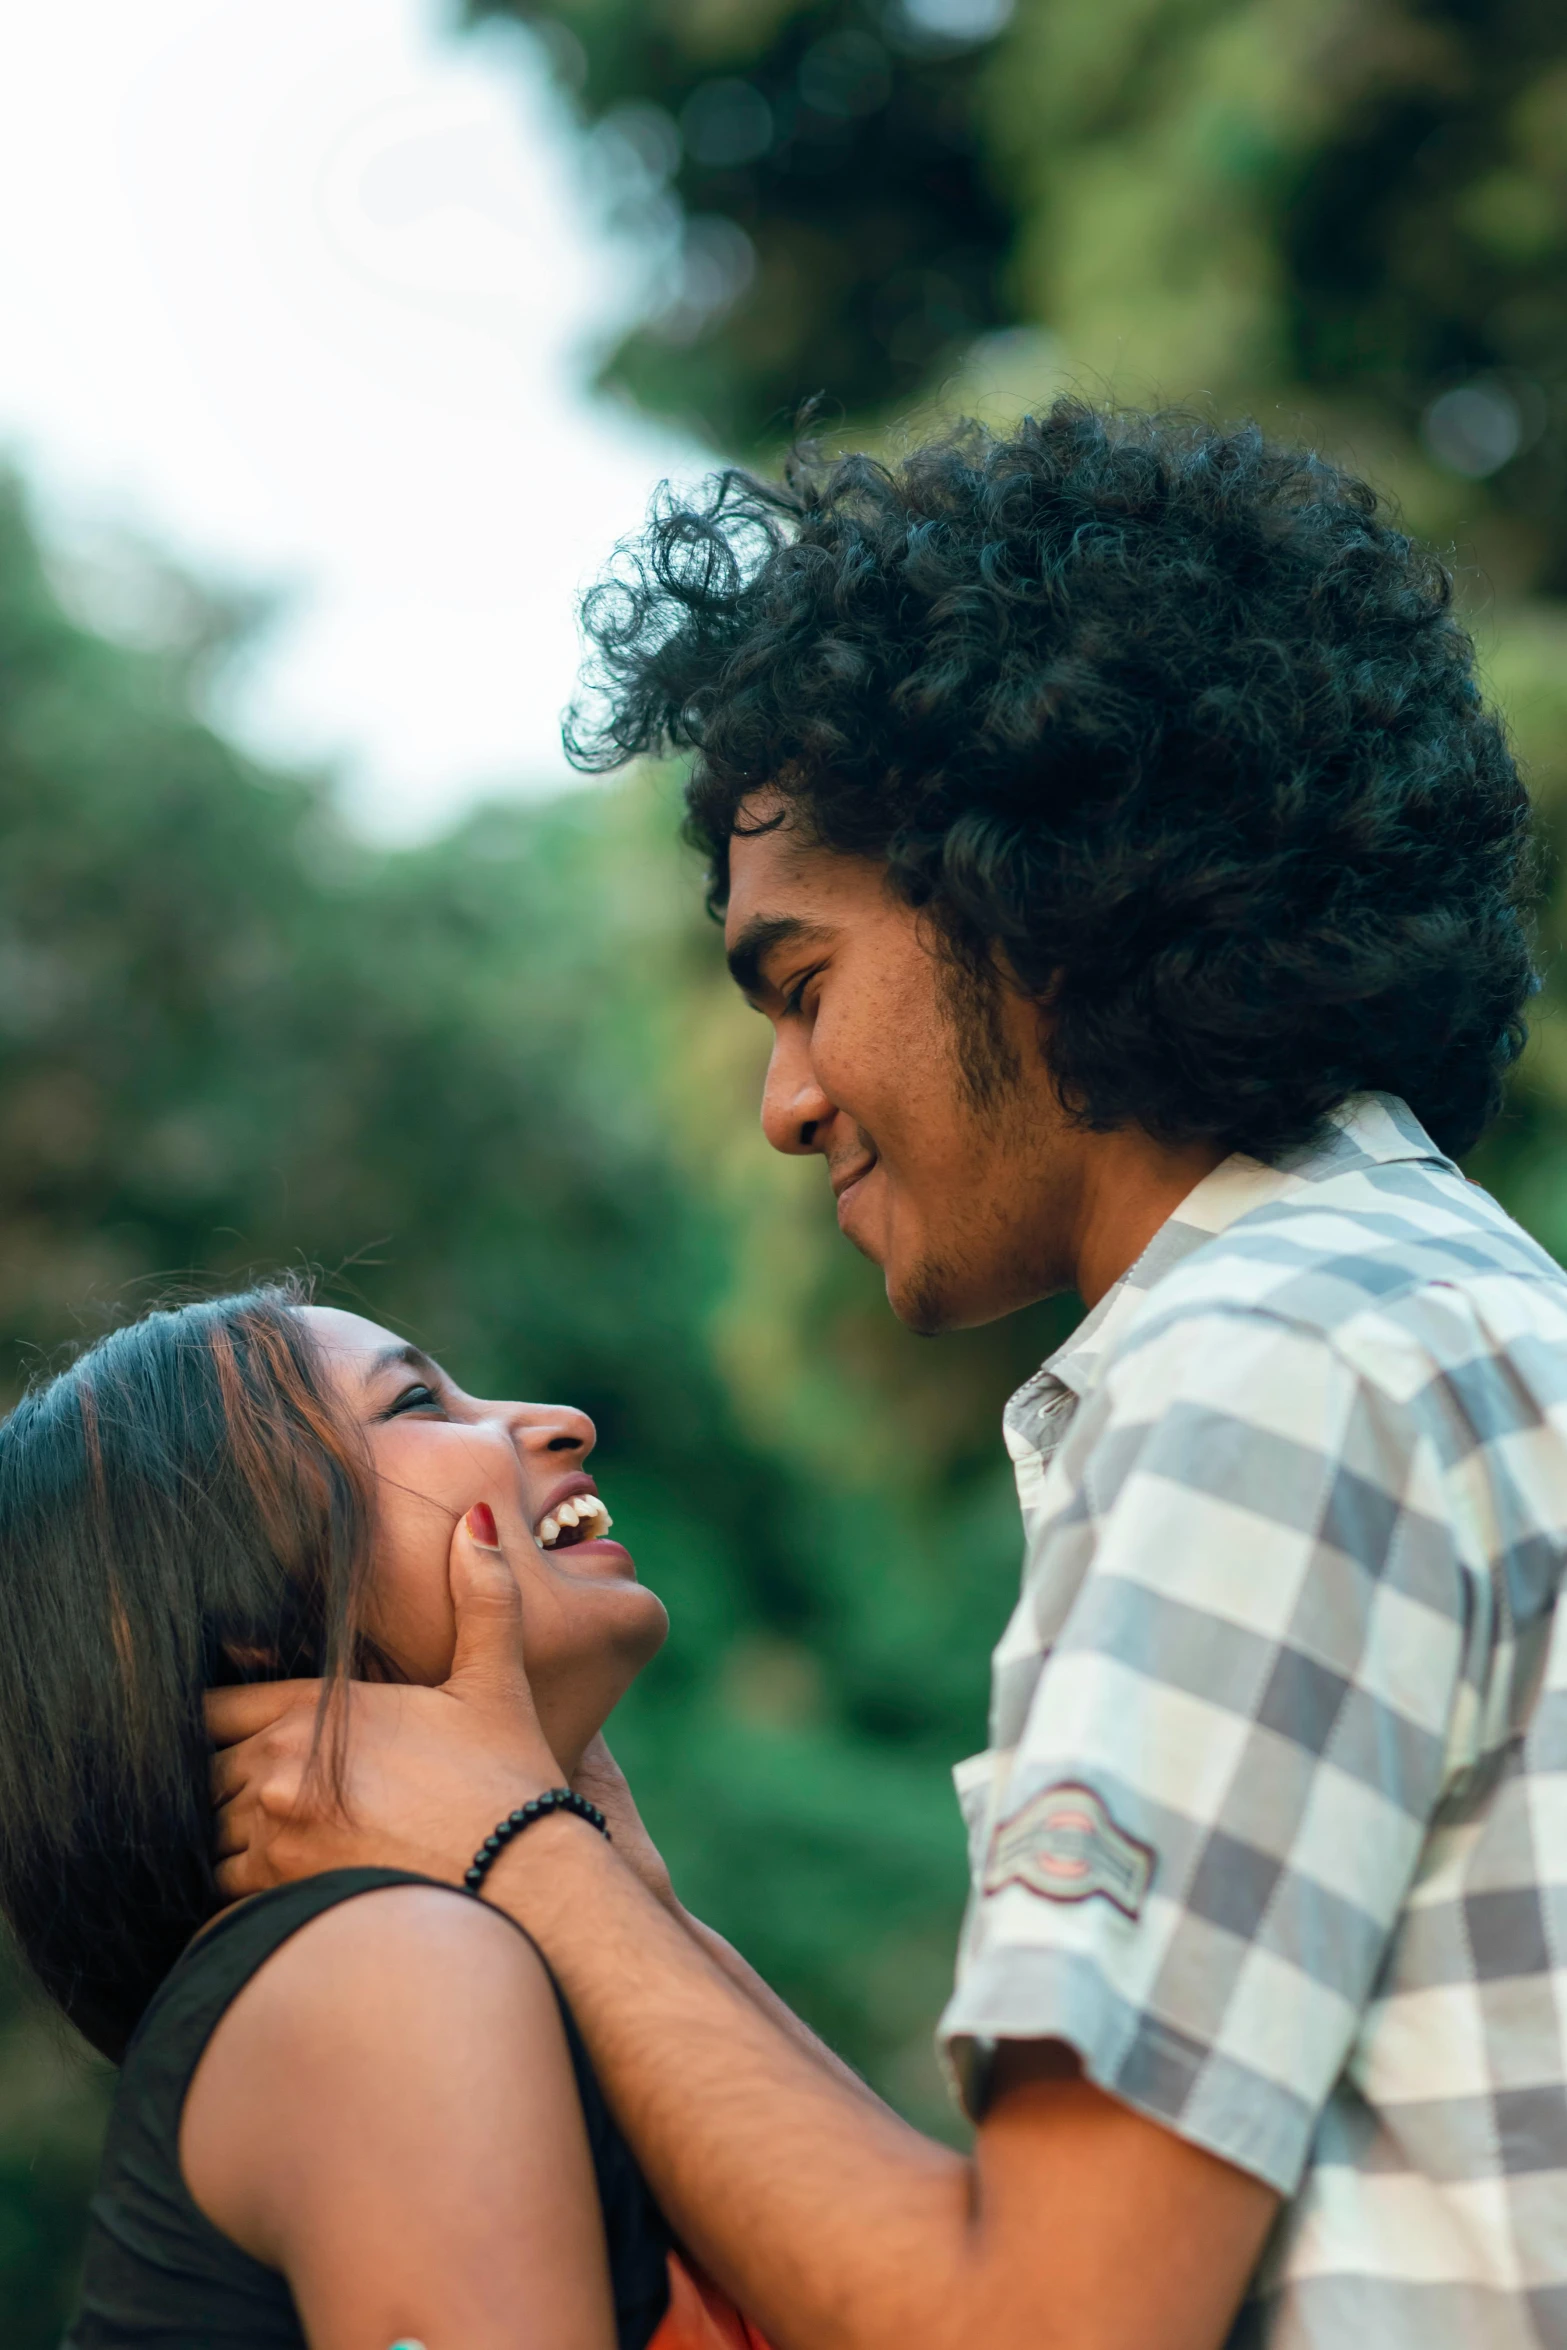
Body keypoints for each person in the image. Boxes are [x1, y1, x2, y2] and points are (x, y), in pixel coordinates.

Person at [210, 403, 1567, 2349]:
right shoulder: (1417, 1305)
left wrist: (515, 1855)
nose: (784, 1100)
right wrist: (585, 1858)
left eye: (802, 983)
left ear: (1039, 895)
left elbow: (1038, 2324)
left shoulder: (1259, 1375)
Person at [0, 1282, 775, 2350]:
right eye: (417, 1404)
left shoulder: (452, 1951)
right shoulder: (386, 1967)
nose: (559, 1423)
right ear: (247, 1613)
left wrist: (610, 1876)